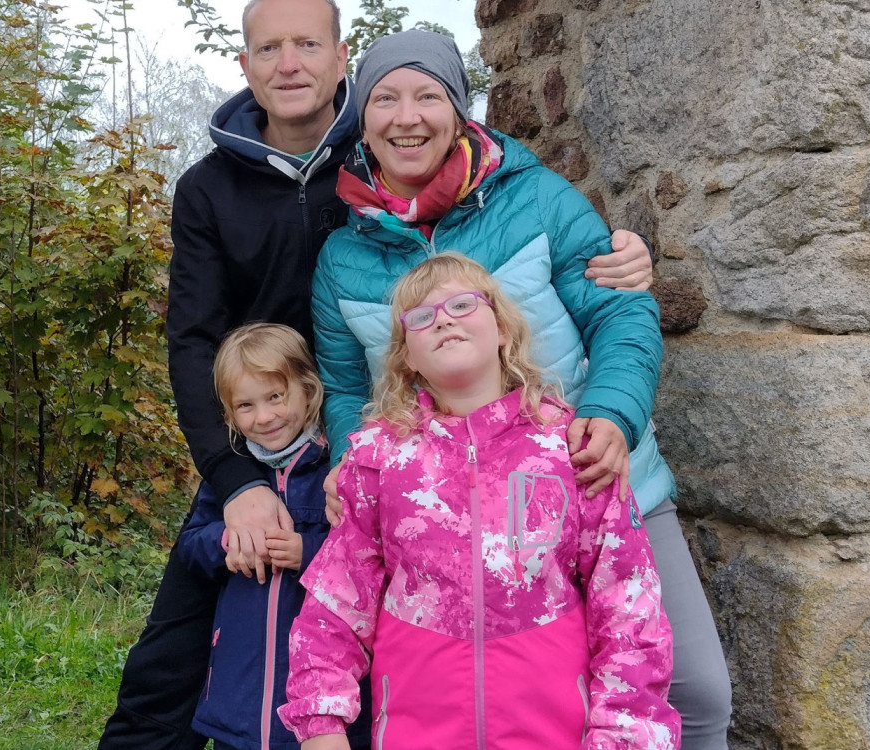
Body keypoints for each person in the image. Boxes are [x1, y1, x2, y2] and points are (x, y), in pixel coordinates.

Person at [99, 2, 655, 747]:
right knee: (172, 666)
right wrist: (236, 482)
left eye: (306, 45)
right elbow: (196, 339)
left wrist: (623, 266)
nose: (288, 63)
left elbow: (564, 291)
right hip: (277, 439)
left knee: (397, 651)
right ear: (246, 66)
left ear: (340, 61)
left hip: (462, 449)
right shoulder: (214, 188)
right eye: (269, 48)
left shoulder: (392, 170)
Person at [311, 29, 733, 749]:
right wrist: (350, 463)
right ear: (361, 118)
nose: (406, 116)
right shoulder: (343, 256)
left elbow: (622, 311)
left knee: (691, 690)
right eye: (385, 98)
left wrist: (612, 416)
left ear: (459, 109)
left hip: (592, 475)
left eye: (428, 95)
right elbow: (347, 385)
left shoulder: (536, 199)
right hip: (439, 514)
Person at [279, 254, 680, 749]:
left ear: (503, 329)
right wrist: (320, 725)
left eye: (463, 304)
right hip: (415, 730)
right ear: (407, 357)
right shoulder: (378, 460)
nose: (443, 318)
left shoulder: (571, 448)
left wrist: (624, 736)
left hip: (554, 732)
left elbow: (628, 606)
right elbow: (337, 599)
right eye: (421, 317)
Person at [175, 324, 371, 750]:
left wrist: (309, 551)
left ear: (308, 389)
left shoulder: (330, 469)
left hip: (320, 696)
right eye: (245, 405)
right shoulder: (234, 477)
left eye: (275, 397)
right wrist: (229, 542)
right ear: (228, 413)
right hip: (236, 696)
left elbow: (372, 552)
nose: (263, 417)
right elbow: (190, 545)